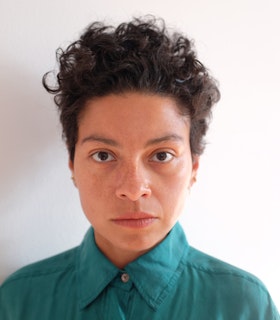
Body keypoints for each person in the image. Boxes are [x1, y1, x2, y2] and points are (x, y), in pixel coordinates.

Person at [0, 16, 279, 320]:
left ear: (194, 167)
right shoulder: (19, 302)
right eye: (104, 155)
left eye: (161, 155)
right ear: (72, 164)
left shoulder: (244, 306)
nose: (133, 189)